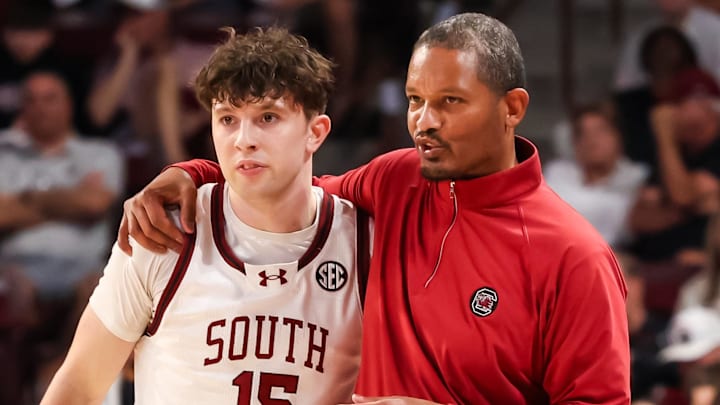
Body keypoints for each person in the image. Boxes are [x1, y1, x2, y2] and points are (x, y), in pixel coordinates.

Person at [119, 13, 630, 404]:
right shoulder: (397, 178)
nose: (424, 122)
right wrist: (193, 173)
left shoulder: (574, 257)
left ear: (512, 108)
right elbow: (289, 185)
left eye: (450, 102)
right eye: (414, 100)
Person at [41, 27, 368, 404]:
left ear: (316, 132)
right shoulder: (162, 230)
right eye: (228, 118)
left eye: (267, 117)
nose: (244, 139)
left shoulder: (366, 242)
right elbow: (79, 385)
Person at [544, 103, 648, 249]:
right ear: (575, 143)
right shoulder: (557, 172)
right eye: (583, 134)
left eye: (601, 131)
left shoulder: (636, 178)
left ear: (618, 137)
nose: (592, 140)